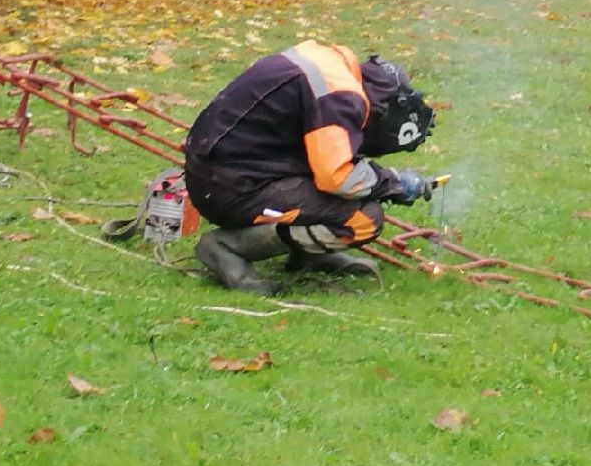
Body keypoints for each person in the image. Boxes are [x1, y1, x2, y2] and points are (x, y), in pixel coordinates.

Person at [183, 40, 438, 295]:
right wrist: (394, 183)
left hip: (227, 170)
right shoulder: (341, 96)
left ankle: (309, 255)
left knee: (351, 192)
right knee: (363, 219)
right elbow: (338, 177)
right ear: (381, 104)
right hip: (233, 186)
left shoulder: (332, 66)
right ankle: (224, 247)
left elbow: (320, 151)